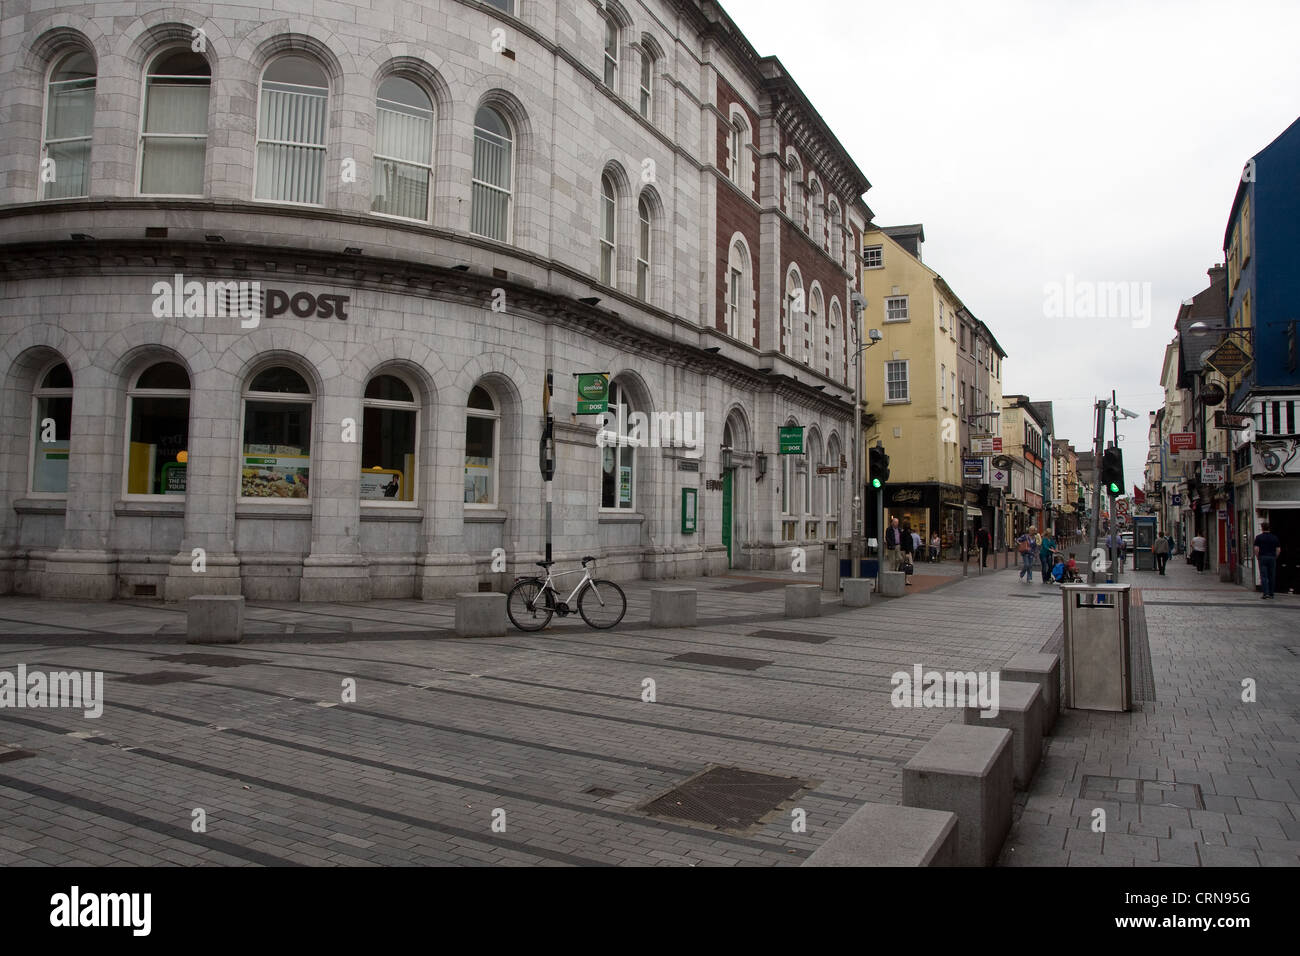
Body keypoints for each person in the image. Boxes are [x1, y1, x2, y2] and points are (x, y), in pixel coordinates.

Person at [1254, 521, 1282, 599]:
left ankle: (1265, 593)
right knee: (1271, 576)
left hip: (1262, 557)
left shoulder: (1259, 537)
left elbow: (1256, 548)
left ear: (1262, 528)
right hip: (1272, 558)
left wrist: (1257, 556)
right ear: (1269, 528)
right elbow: (1278, 549)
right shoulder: (1274, 537)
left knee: (1264, 576)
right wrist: (1275, 556)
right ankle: (1271, 593)